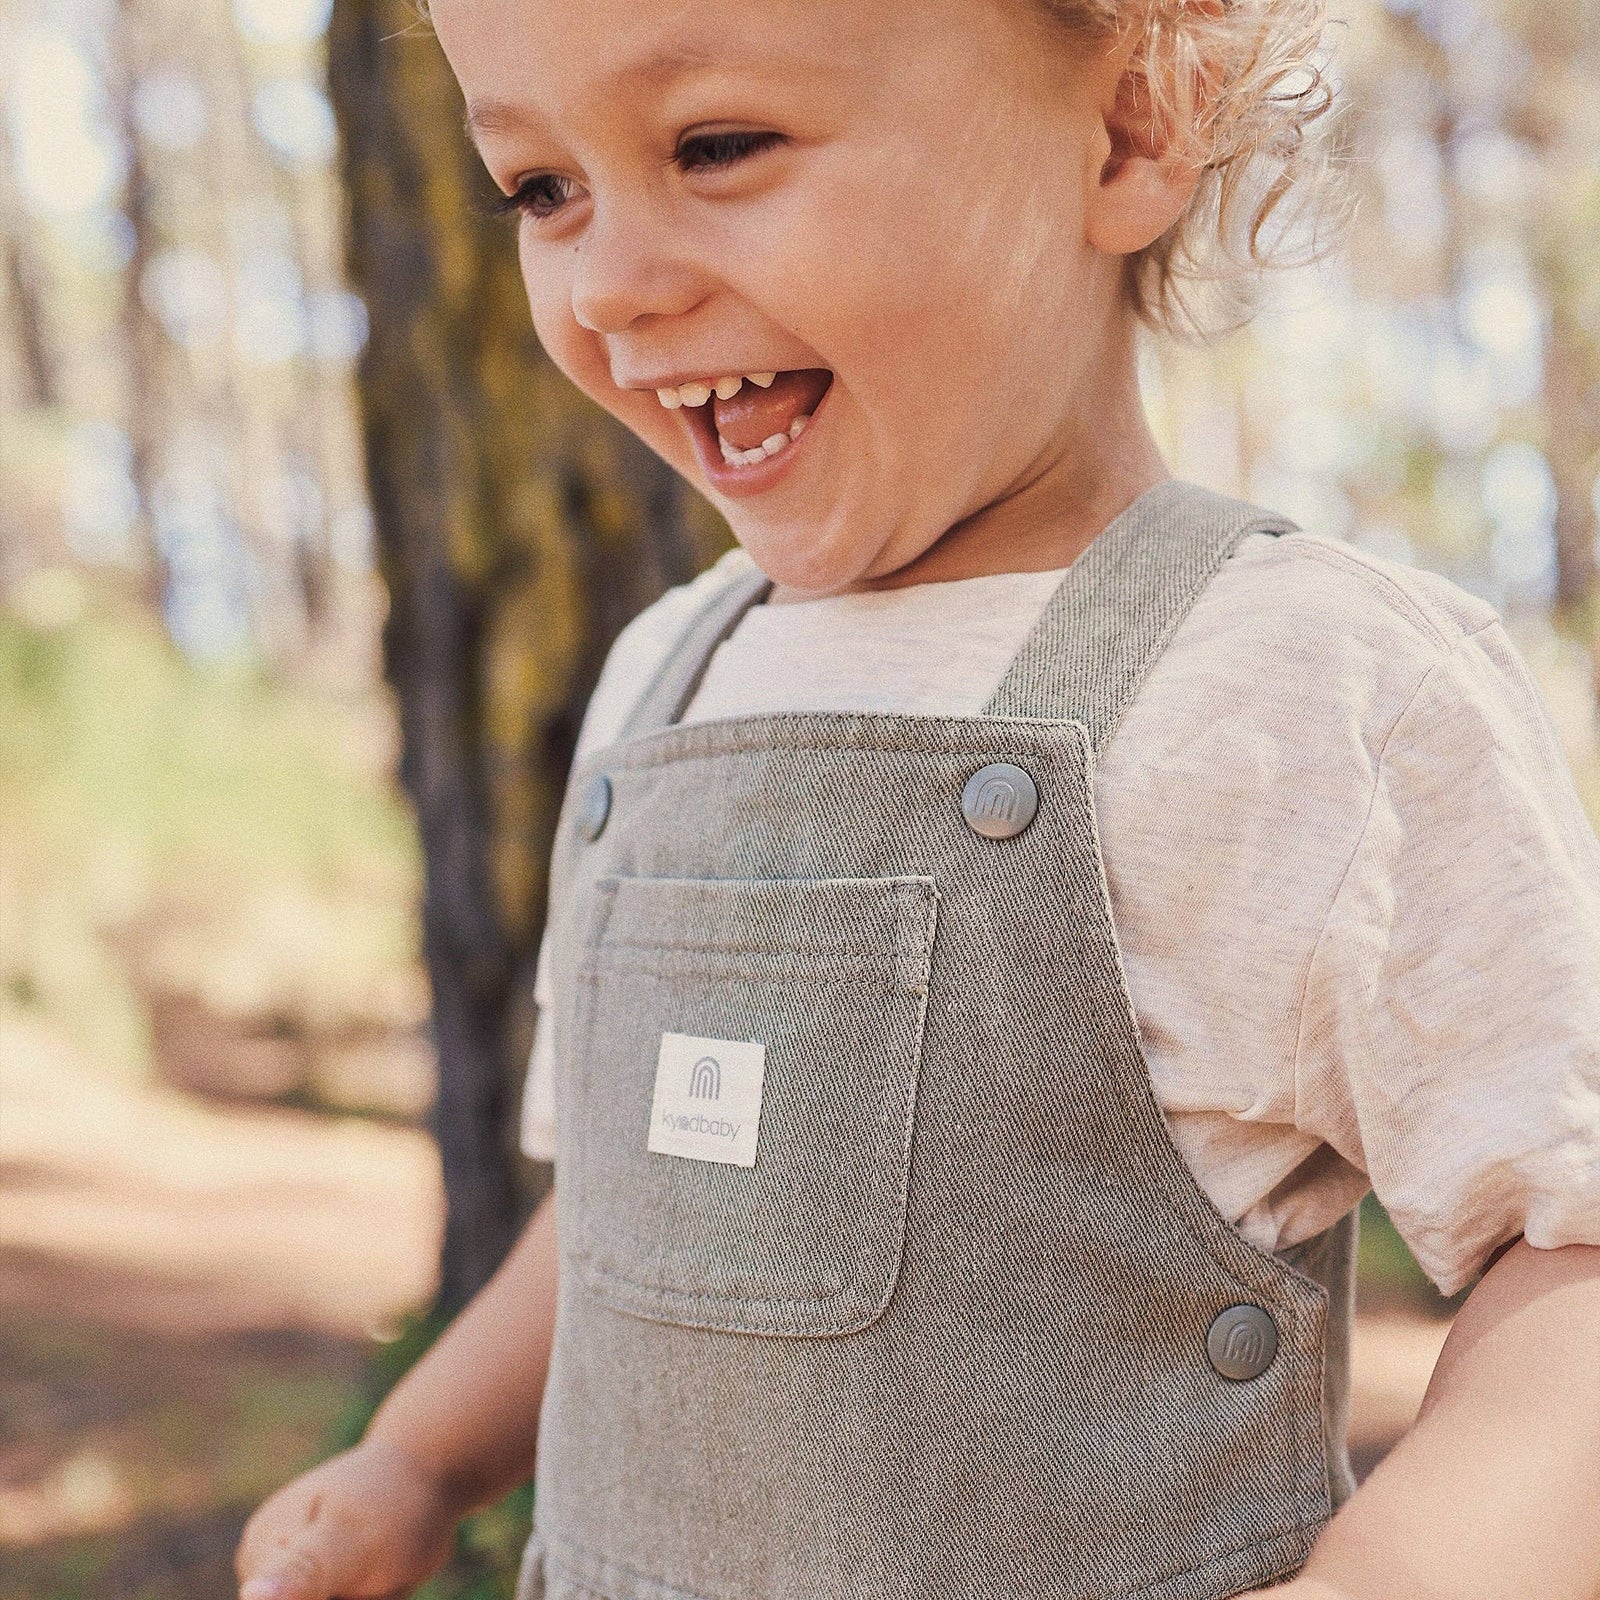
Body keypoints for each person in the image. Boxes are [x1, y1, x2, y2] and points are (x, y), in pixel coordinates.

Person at [236, 0, 1600, 1596]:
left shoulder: (1301, 692)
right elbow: (637, 1218)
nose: (610, 283)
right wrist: (416, 1458)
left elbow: (1571, 1248)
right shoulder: (665, 680)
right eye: (542, 188)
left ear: (1135, 122)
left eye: (717, 144)